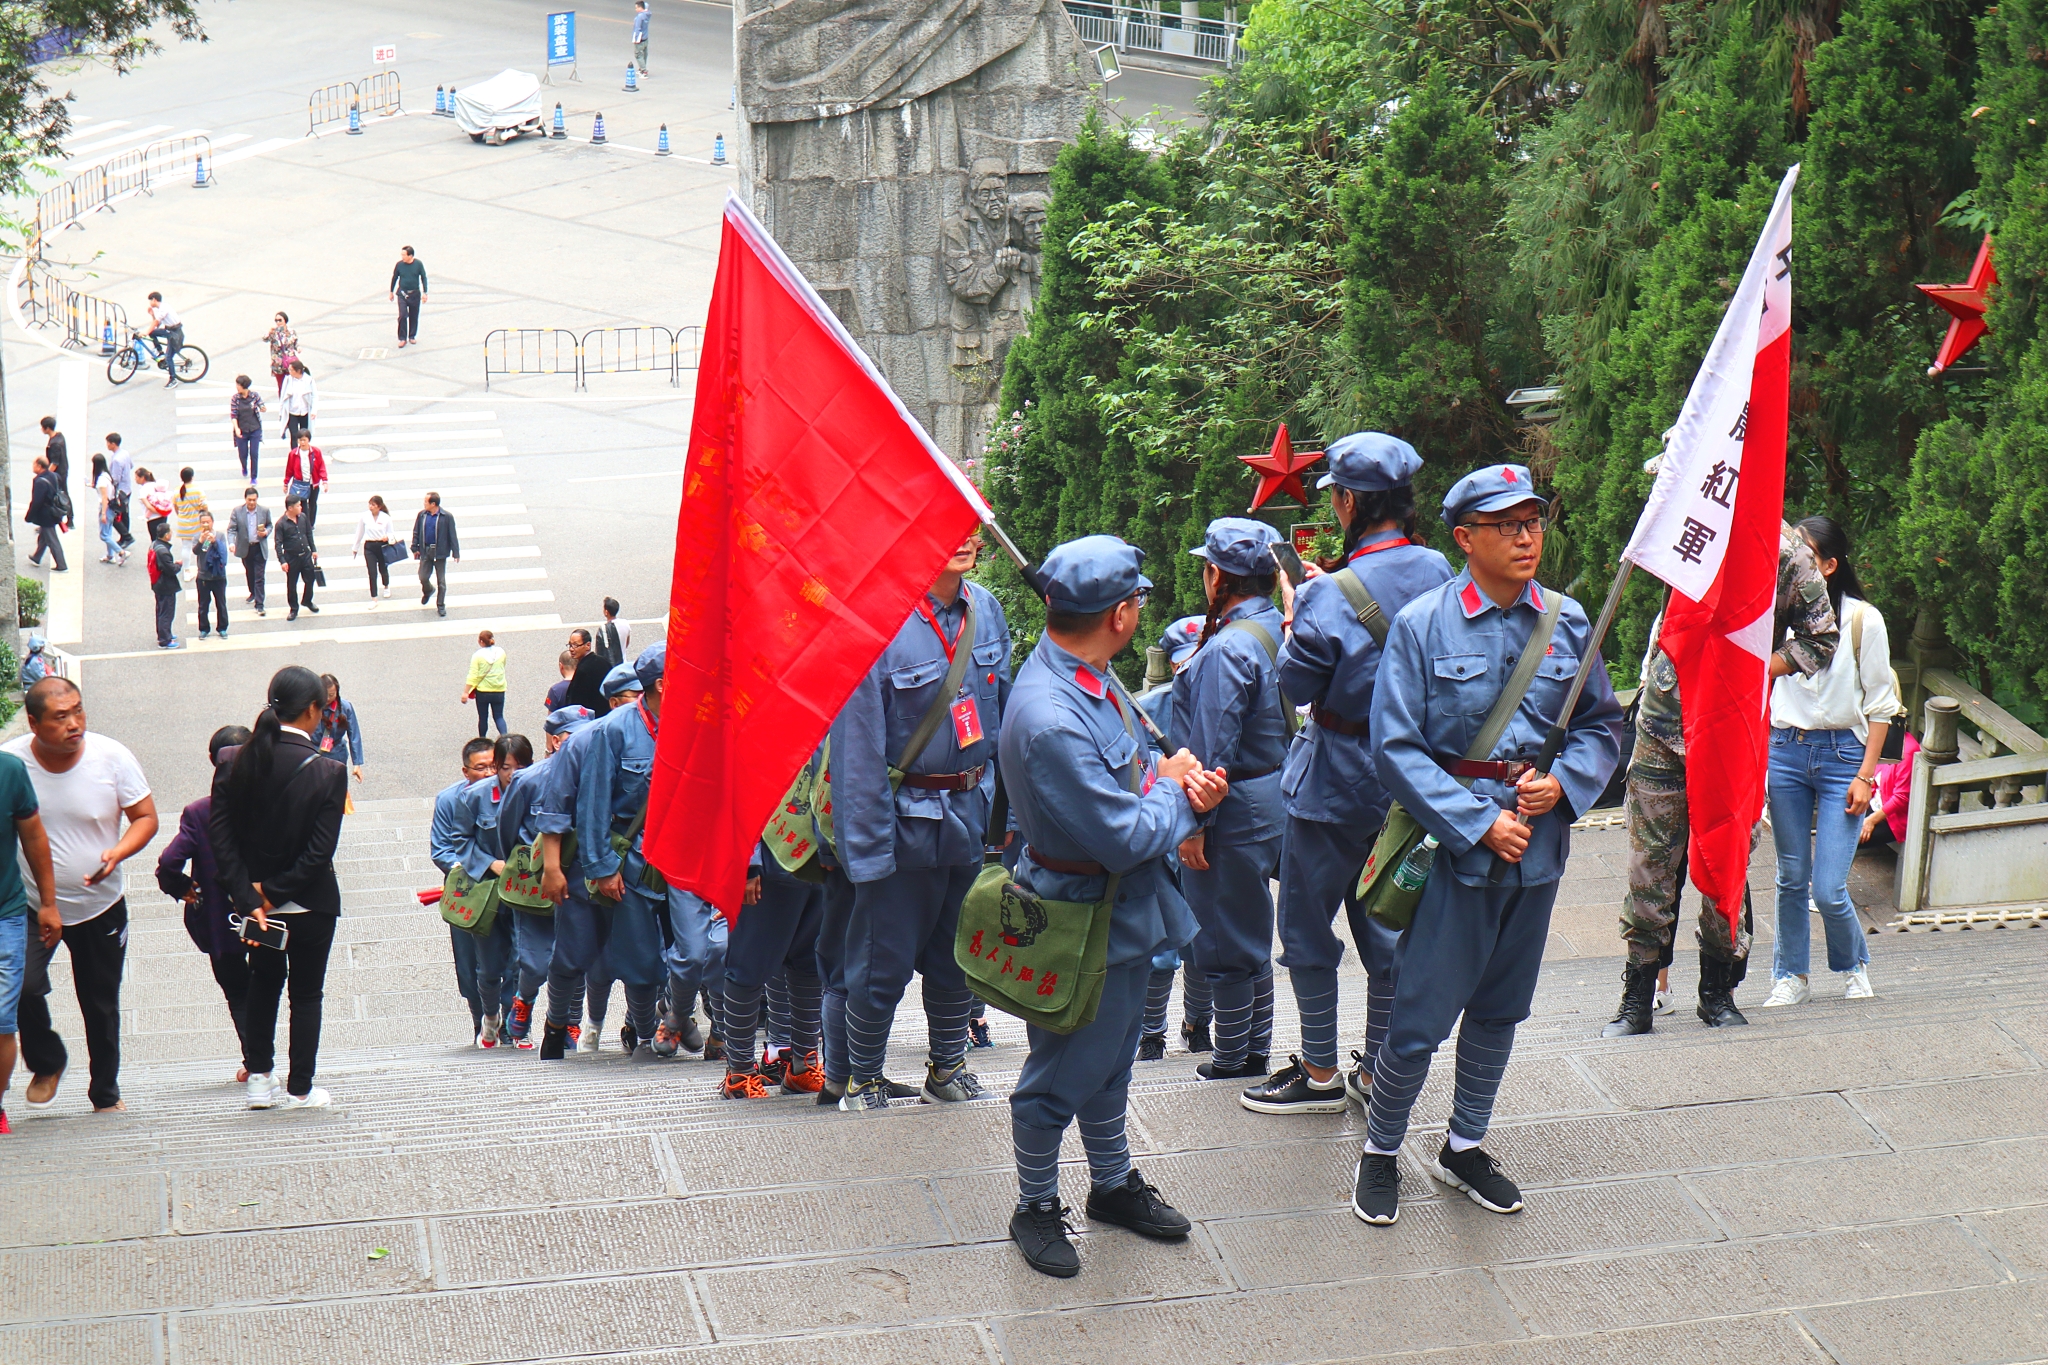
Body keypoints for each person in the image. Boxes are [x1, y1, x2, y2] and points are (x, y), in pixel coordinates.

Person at [1351, 465, 1622, 1227]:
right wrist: (1476, 820)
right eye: (1506, 524)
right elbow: (1395, 749)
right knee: (1420, 1014)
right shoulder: (1421, 625)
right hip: (1453, 852)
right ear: (1465, 537)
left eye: (1533, 520)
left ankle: (1464, 1143)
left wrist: (1565, 784)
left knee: (1502, 1008)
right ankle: (1380, 1148)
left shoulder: (1570, 622)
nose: (1526, 536)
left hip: (1536, 846)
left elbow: (1603, 724)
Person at [999, 535, 1228, 1277]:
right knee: (1062, 1070)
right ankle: (1035, 1203)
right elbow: (1127, 833)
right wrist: (1175, 794)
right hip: (1079, 914)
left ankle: (1112, 1181)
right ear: (1123, 613)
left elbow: (1134, 782)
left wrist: (1170, 781)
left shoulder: (1087, 672)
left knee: (1111, 1057)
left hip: (1118, 908)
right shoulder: (1053, 713)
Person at [1251, 433, 1454, 1116]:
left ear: (1347, 502)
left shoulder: (1326, 595)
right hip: (1409, 784)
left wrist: (1295, 611)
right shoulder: (1439, 571)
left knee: (1307, 929)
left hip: (1334, 780)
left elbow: (1299, 681)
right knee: (1389, 924)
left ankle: (1317, 1070)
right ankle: (1379, 1066)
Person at [1601, 516, 1838, 1036]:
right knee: (1650, 863)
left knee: (1725, 855)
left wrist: (1759, 666)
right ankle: (1637, 994)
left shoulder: (1783, 552)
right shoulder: (1682, 524)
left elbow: (1821, 637)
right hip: (1664, 723)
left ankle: (1718, 991)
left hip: (1732, 728)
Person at [830, 531, 1010, 1111]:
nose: (963, 540)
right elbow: (856, 750)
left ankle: (948, 1066)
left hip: (970, 811)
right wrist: (868, 850)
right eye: (943, 527)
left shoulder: (987, 609)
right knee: (882, 960)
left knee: (958, 954)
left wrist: (1011, 821)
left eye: (969, 528)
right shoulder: (878, 621)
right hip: (903, 822)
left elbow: (1003, 717)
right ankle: (864, 1076)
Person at [1170, 517, 1290, 1087]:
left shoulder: (1226, 648)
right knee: (1250, 927)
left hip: (1231, 802)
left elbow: (1212, 747)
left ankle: (1236, 1054)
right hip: (1272, 793)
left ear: (1217, 575)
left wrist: (1195, 823)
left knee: (1223, 933)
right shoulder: (1275, 625)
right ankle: (1254, 1047)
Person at [7, 677, 158, 1115]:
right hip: (33, 905)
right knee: (20, 986)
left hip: (101, 905)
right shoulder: (12, 763)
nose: (74, 724)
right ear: (33, 723)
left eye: (78, 711)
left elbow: (145, 817)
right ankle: (47, 1060)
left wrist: (119, 851)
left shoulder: (111, 756)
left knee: (100, 1001)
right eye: (60, 717)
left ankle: (105, 1093)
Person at [1763, 515, 1893, 1007]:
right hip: (1787, 751)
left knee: (1827, 886)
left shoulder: (1864, 620)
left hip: (1844, 757)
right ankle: (1790, 975)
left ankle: (1853, 963)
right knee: (1790, 876)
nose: (1792, 563)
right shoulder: (1772, 618)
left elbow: (1882, 705)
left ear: (1830, 566)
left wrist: (1867, 776)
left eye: (1806, 556)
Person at [213, 666, 349, 1109]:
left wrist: (251, 895)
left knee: (263, 984)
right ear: (314, 709)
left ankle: (258, 1082)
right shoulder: (328, 771)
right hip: (309, 904)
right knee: (307, 994)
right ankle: (300, 1088)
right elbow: (318, 852)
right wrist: (275, 891)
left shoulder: (234, 760)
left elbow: (222, 838)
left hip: (257, 912)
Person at [533, 645, 672, 1060]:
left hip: (643, 863)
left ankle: (645, 1032)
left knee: (643, 952)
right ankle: (557, 1026)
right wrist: (554, 867)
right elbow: (561, 808)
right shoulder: (591, 739)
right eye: (628, 695)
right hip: (586, 861)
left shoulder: (676, 728)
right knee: (573, 955)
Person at [1133, 615, 1213, 1061]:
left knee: (1202, 947)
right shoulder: (1149, 709)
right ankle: (1151, 1032)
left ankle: (1197, 1023)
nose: (1191, 672)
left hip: (1210, 838)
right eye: (1184, 664)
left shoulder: (1228, 694)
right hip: (1165, 837)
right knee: (1162, 951)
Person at [497, 706, 600, 1050]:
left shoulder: (599, 775)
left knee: (576, 953)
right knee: (536, 959)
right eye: (575, 738)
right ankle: (524, 999)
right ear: (557, 741)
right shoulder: (528, 780)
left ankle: (570, 1020)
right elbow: (507, 832)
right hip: (538, 883)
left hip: (579, 881)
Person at [155, 726, 254, 1083]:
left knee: (237, 992)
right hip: (268, 915)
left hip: (220, 920)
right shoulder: (272, 804)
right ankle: (275, 1058)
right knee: (272, 985)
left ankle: (257, 1062)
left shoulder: (200, 813)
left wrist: (181, 887)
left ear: (214, 762)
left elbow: (169, 862)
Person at [719, 787, 827, 1097]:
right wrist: (747, 862)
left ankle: (803, 1065)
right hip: (770, 860)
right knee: (747, 967)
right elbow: (741, 790)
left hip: (821, 858)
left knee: (811, 965)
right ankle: (739, 1072)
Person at [452, 734, 533, 1048]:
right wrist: (490, 864)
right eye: (507, 767)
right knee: (488, 968)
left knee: (522, 962)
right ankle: (489, 1016)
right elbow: (461, 840)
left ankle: (518, 1026)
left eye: (521, 767)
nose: (514, 774)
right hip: (487, 893)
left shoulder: (536, 790)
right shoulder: (476, 796)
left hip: (524, 892)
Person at [0, 738, 59, 1136]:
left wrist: (49, 903)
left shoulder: (9, 771)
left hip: (5, 913)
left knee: (3, 1020)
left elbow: (34, 836)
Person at [432, 739, 506, 1045]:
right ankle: (481, 1020)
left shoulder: (513, 792)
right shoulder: (449, 800)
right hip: (470, 894)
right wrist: (482, 867)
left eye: (493, 765)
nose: (489, 772)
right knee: (469, 964)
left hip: (507, 891)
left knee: (514, 959)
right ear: (466, 771)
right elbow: (442, 850)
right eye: (480, 767)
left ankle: (514, 1023)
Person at [410, 492, 459, 617]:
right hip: (425, 551)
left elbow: (452, 535)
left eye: (426, 502)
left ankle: (441, 604)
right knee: (423, 577)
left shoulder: (446, 517)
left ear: (433, 504)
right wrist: (414, 547)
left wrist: (456, 552)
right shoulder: (422, 515)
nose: (424, 504)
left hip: (440, 552)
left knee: (441, 581)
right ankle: (428, 590)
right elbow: (416, 531)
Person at [228, 487, 272, 617]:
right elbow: (231, 529)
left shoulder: (264, 511)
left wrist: (266, 532)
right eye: (249, 500)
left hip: (259, 547)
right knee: (250, 572)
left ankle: (259, 604)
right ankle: (253, 592)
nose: (252, 502)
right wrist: (231, 543)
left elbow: (270, 525)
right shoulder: (237, 511)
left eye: (254, 500)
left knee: (259, 576)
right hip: (245, 548)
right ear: (245, 499)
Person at [312, 675, 365, 782]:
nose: (327, 699)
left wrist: (357, 763)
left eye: (331, 695)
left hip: (337, 755)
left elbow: (354, 735)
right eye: (324, 695)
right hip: (313, 753)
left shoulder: (345, 708)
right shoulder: (310, 707)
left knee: (336, 789)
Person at [274, 493, 319, 622]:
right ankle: (294, 608)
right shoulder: (281, 524)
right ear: (290, 508)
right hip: (291, 558)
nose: (301, 508)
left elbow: (308, 534)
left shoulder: (303, 517)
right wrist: (282, 561)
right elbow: (278, 544)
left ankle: (307, 600)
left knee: (310, 579)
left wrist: (313, 550)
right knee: (292, 585)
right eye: (298, 506)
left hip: (305, 555)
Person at [190, 511, 229, 640]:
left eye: (208, 522)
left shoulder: (220, 535)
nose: (206, 524)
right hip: (203, 576)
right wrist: (201, 541)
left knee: (221, 604)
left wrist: (215, 542)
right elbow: (196, 552)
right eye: (203, 522)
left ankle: (222, 628)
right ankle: (204, 628)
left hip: (218, 576)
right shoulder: (197, 536)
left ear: (212, 522)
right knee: (203, 605)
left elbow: (223, 551)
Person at [25, 456, 67, 573]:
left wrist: (29, 516)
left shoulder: (39, 481)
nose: (33, 467)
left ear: (39, 466)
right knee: (44, 536)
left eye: (34, 464)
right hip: (54, 511)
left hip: (45, 515)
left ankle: (61, 564)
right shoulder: (53, 476)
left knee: (52, 539)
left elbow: (37, 501)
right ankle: (37, 557)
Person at [465, 630, 510, 738]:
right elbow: (503, 665)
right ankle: (505, 738)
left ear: (481, 641)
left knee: (483, 717)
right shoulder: (501, 652)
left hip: (483, 692)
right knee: (499, 716)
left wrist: (465, 692)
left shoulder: (477, 656)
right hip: (499, 690)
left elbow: (472, 675)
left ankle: (483, 739)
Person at [352, 495, 394, 602]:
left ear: (379, 507)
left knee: (383, 569)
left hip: (382, 546)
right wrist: (355, 547)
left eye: (373, 505)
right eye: (370, 504)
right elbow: (359, 532)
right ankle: (374, 596)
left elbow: (391, 533)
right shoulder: (364, 516)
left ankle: (386, 585)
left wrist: (387, 537)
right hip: (369, 546)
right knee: (372, 571)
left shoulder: (386, 518)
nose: (371, 507)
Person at [282, 433, 329, 531]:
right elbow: (289, 469)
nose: (302, 442)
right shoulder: (293, 454)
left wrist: (324, 481)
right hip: (300, 485)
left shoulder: (316, 452)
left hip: (313, 484)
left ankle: (311, 524)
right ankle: (305, 525)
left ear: (309, 440)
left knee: (312, 504)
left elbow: (321, 466)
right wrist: (286, 483)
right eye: (300, 440)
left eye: (304, 440)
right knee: (302, 506)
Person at [149, 518, 182, 650]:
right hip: (165, 585)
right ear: (167, 534)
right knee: (166, 612)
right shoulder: (163, 551)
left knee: (162, 610)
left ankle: (164, 634)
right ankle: (164, 639)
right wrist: (178, 565)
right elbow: (171, 569)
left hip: (158, 583)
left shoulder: (155, 545)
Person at [91, 454, 125, 567]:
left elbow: (104, 498)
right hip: (112, 506)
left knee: (104, 535)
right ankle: (110, 556)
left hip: (106, 507)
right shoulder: (107, 475)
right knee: (109, 532)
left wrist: (103, 514)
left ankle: (120, 552)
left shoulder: (101, 479)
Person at [230, 376, 266, 482]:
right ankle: (244, 467)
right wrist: (236, 428)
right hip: (242, 429)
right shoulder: (235, 398)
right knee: (243, 453)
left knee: (254, 453)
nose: (237, 387)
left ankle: (254, 476)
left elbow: (261, 405)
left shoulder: (254, 396)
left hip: (255, 428)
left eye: (238, 385)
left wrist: (262, 408)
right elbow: (233, 415)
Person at [391, 246, 428, 347]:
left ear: (410, 256)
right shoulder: (399, 265)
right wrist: (391, 291)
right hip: (402, 293)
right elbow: (394, 277)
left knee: (414, 315)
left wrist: (425, 292)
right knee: (402, 315)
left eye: (404, 255)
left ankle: (412, 336)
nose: (402, 256)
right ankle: (402, 338)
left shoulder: (418, 264)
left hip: (414, 294)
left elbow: (423, 277)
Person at [563, 628, 609, 709]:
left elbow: (577, 701)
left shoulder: (583, 670)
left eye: (576, 645)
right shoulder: (604, 661)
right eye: (570, 645)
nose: (571, 649)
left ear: (588, 645)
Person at [145, 291, 183, 384]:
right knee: (152, 332)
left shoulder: (163, 308)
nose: (149, 303)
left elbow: (155, 323)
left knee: (169, 357)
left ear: (154, 300)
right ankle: (159, 350)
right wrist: (152, 315)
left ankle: (173, 380)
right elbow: (156, 325)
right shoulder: (161, 309)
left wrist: (145, 333)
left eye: (150, 301)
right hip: (170, 330)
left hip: (174, 333)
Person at [106, 433, 135, 550]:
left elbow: (115, 479)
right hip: (127, 488)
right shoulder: (125, 453)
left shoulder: (117, 459)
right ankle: (124, 537)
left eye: (108, 443)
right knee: (125, 514)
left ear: (113, 444)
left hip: (120, 492)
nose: (107, 445)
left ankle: (126, 536)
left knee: (117, 515)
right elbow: (131, 465)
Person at [280, 359, 317, 445]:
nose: (289, 372)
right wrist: (281, 412)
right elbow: (283, 397)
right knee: (294, 435)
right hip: (292, 412)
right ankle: (295, 454)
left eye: (291, 370)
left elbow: (314, 396)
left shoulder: (309, 380)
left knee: (304, 435)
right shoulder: (288, 380)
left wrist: (313, 411)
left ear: (298, 371)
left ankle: (303, 451)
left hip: (305, 412)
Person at [134, 467, 174, 540]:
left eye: (136, 477)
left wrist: (158, 511)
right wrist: (163, 512)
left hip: (153, 519)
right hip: (163, 516)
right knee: (163, 538)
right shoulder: (155, 484)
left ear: (142, 478)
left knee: (155, 540)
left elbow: (148, 506)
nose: (135, 479)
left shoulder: (143, 489)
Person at [264, 312, 297, 397]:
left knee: (293, 384)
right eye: (276, 320)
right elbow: (265, 339)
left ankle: (293, 402)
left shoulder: (291, 332)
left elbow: (295, 343)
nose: (278, 322)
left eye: (280, 320)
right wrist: (269, 332)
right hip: (278, 363)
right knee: (281, 386)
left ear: (285, 320)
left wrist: (298, 348)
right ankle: (283, 404)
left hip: (290, 362)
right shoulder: (274, 332)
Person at [175, 467, 209, 545]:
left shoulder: (177, 490)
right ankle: (201, 557)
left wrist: (181, 516)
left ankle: (186, 558)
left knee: (186, 547)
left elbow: (176, 507)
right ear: (192, 477)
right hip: (197, 523)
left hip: (183, 524)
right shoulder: (198, 490)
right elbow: (204, 505)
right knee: (203, 545)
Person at [595, 597, 630, 667]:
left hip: (610, 666)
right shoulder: (625, 623)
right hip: (623, 663)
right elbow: (627, 643)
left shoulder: (603, 629)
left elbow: (599, 652)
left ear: (606, 612)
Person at [39, 416, 68, 490]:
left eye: (42, 427)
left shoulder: (55, 444)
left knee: (60, 493)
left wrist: (45, 476)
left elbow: (54, 464)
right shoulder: (59, 436)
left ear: (48, 428)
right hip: (63, 470)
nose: (41, 429)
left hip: (58, 474)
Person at [632, 0, 650, 74]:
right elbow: (646, 5)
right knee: (644, 54)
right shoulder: (647, 14)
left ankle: (643, 70)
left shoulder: (640, 16)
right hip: (645, 37)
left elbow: (637, 28)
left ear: (640, 8)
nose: (635, 9)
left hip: (640, 39)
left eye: (636, 8)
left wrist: (636, 39)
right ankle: (642, 67)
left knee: (638, 54)